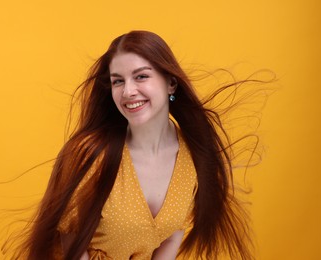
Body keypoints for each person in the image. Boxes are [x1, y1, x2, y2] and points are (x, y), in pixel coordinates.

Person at [15, 30, 255, 260]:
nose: (128, 91)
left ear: (171, 83)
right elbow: (70, 237)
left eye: (141, 76)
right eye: (118, 81)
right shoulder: (88, 153)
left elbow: (172, 236)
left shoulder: (193, 155)